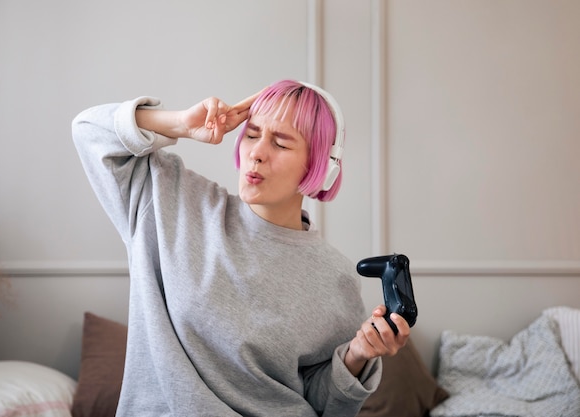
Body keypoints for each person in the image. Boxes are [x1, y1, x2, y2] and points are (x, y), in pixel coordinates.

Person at [72, 79, 409, 416]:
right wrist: (182, 125)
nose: (257, 153)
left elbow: (323, 404)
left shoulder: (335, 277)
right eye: (251, 135)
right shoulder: (170, 201)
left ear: (320, 166)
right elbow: (87, 130)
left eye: (280, 143)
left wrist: (357, 356)